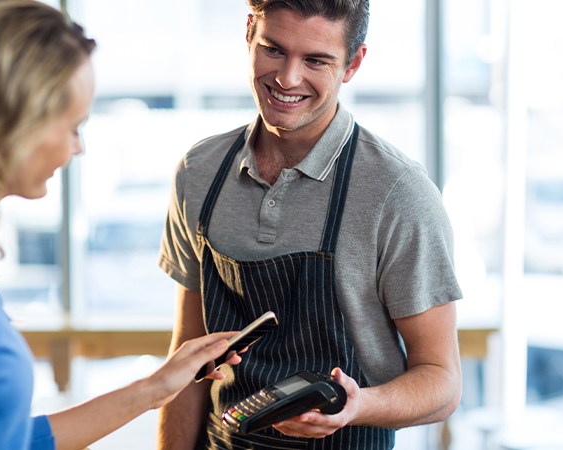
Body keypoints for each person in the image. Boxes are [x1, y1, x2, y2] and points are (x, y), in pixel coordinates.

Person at [0, 1, 242, 449]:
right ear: (14, 123)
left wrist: (152, 390)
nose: (78, 148)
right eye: (73, 126)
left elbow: (0, 440)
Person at [157, 0, 464, 448]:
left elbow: (442, 382)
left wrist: (359, 406)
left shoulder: (397, 192)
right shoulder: (199, 171)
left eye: (316, 60)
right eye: (274, 50)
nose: (287, 78)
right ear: (249, 34)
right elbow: (187, 357)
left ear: (352, 64)